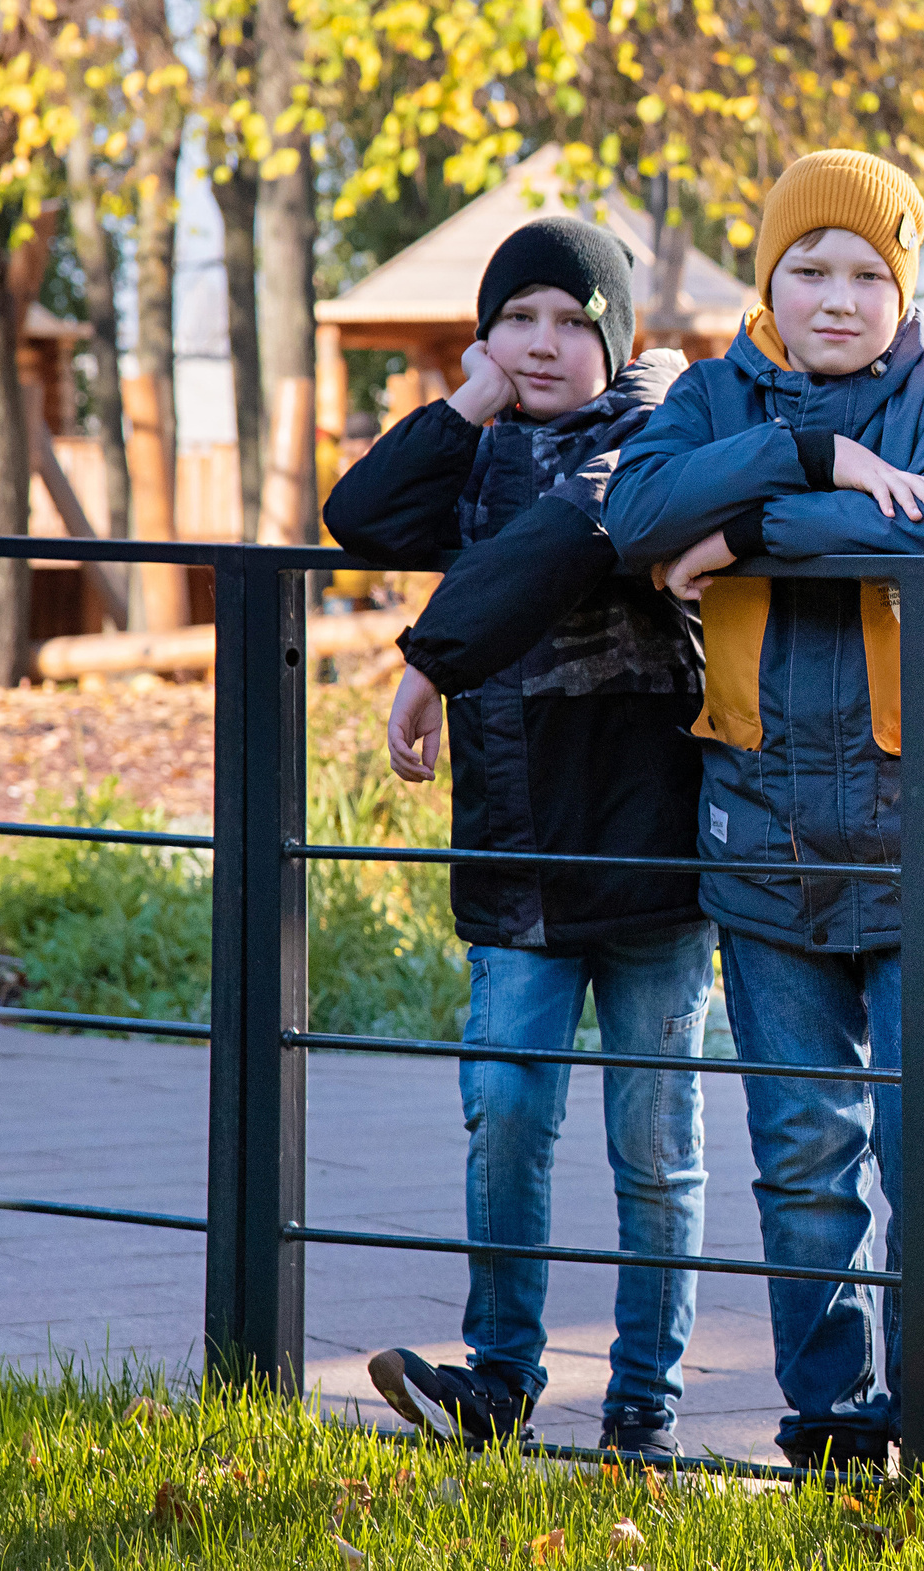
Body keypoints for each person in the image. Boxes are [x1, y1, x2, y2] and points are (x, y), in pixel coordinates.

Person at [598, 150, 924, 1478]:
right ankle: (831, 1423)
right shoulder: (713, 391)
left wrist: (746, 526)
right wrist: (805, 451)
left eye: (870, 274)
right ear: (769, 275)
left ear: (906, 284)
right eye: (811, 269)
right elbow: (638, 515)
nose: (839, 297)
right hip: (762, 836)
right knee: (801, 1153)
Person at [320, 215, 715, 1458]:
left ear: (615, 335)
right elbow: (362, 516)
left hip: (644, 842)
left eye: (568, 321)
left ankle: (644, 1398)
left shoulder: (659, 432)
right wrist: (468, 399)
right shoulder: (482, 454)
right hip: (514, 847)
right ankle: (497, 1379)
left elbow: (570, 542)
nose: (543, 345)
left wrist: (426, 658)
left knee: (653, 1145)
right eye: (517, 319)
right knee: (505, 1110)